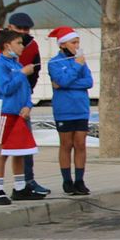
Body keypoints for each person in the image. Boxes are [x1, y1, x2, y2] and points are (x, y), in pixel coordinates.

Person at [0, 13, 49, 196]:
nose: (23, 35)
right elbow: (4, 85)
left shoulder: (23, 57)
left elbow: (29, 81)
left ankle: (23, 184)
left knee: (22, 149)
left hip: (20, 110)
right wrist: (21, 74)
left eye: (26, 30)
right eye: (19, 30)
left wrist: (27, 105)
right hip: (2, 108)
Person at [46, 27, 93, 194]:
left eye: (78, 42)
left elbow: (88, 82)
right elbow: (61, 80)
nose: (77, 45)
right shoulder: (54, 62)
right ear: (63, 44)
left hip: (81, 108)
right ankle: (67, 180)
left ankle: (80, 180)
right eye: (74, 42)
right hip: (64, 109)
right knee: (66, 144)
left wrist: (67, 82)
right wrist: (75, 68)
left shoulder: (81, 60)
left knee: (80, 143)